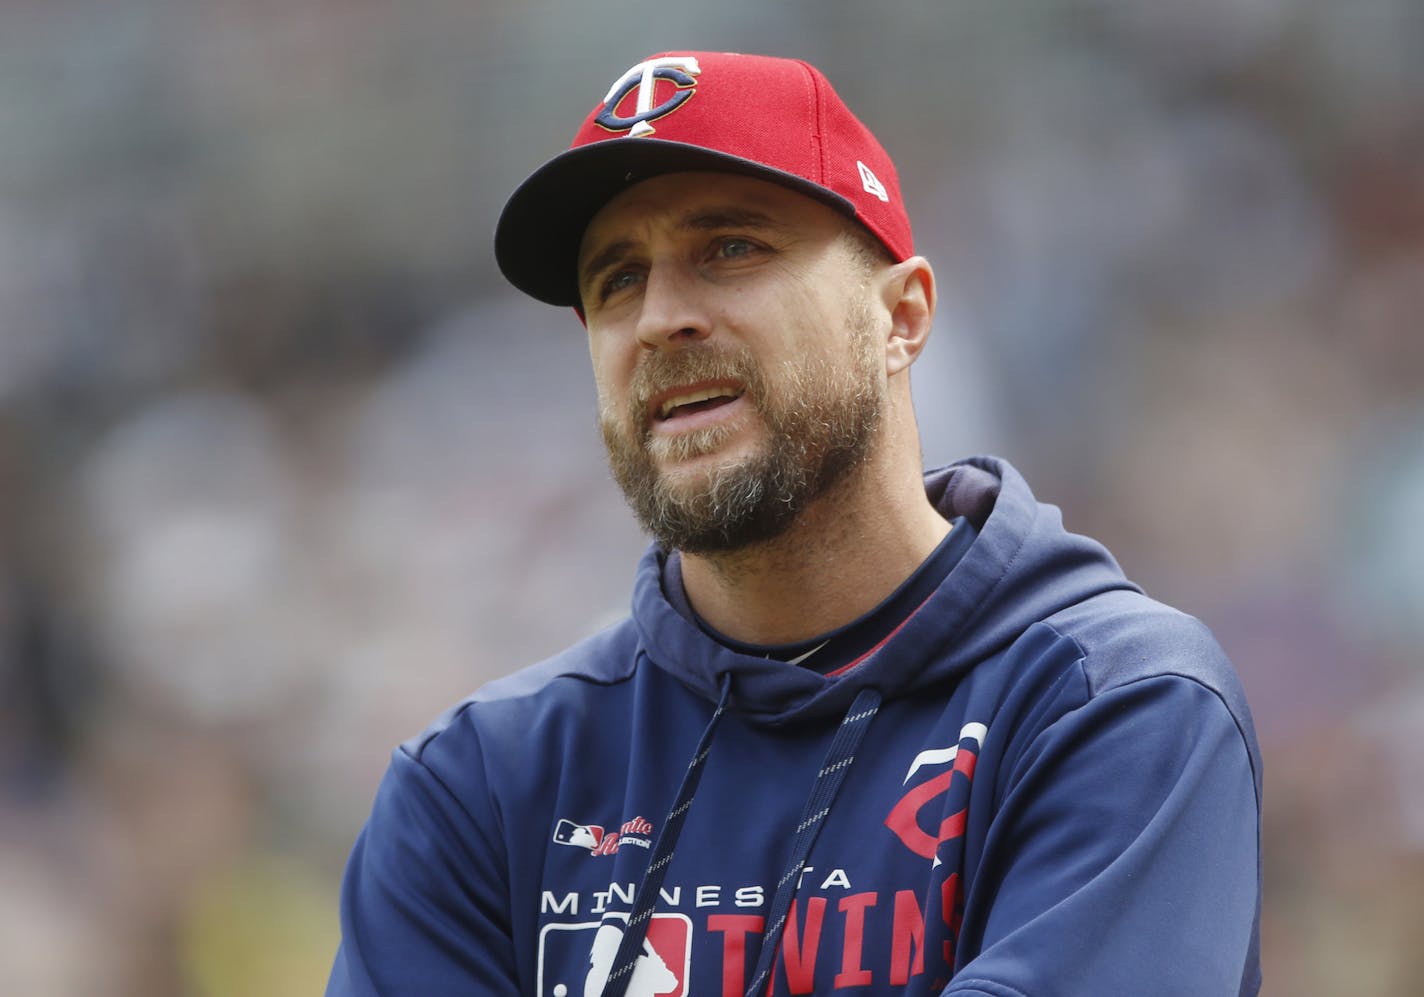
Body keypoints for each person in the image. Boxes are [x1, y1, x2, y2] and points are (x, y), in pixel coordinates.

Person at [327, 51, 1262, 996]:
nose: (659, 318)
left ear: (900, 315)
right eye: (616, 279)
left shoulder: (1110, 705)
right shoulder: (479, 785)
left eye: (730, 247)